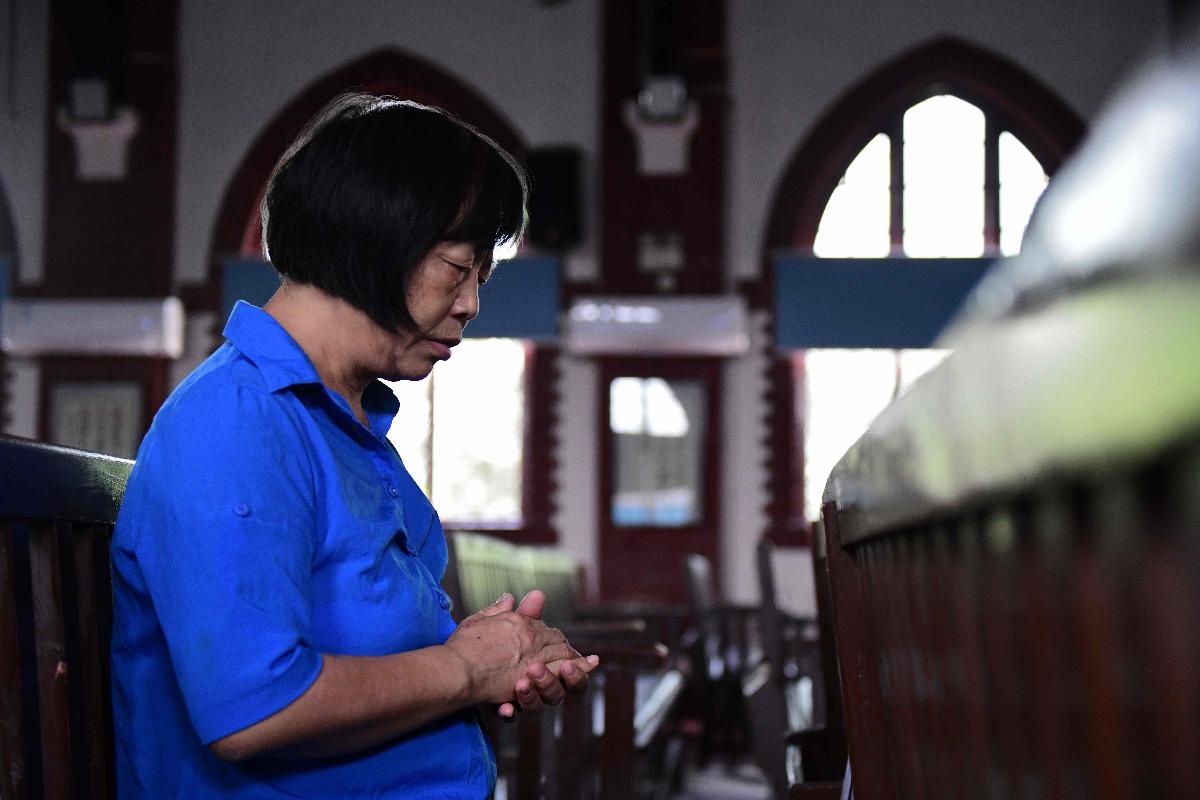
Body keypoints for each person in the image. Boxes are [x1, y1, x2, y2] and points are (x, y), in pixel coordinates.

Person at [109, 94, 595, 798]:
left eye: (480, 279)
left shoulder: (341, 423)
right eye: (458, 268)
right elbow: (254, 709)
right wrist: (465, 668)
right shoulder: (238, 420)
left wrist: (498, 659)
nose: (471, 305)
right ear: (376, 240)